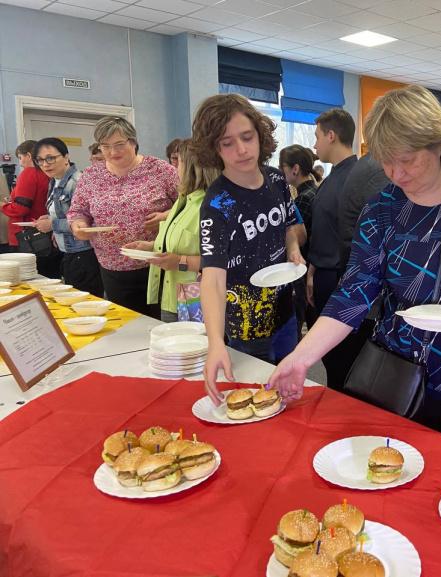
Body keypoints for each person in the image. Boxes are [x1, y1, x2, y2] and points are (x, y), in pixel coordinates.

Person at [268, 85, 441, 459]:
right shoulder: (382, 209)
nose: (396, 173)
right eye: (386, 162)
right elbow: (354, 293)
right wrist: (300, 357)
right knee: (409, 473)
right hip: (407, 374)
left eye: (407, 160)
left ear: (438, 145)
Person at [192, 94, 304, 400]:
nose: (241, 150)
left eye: (247, 137)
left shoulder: (276, 180)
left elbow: (290, 226)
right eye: (227, 143)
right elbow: (213, 278)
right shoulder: (217, 203)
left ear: (259, 135)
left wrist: (293, 248)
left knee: (291, 391)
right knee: (256, 398)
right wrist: (215, 342)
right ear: (214, 148)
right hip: (246, 324)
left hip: (286, 310)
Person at [68, 117, 178, 317]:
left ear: (133, 142)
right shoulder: (91, 176)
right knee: (126, 323)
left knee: (160, 323)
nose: (113, 152)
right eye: (105, 146)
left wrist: (165, 215)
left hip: (158, 263)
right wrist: (79, 225)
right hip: (112, 266)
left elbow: (191, 205)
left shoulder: (160, 170)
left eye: (119, 144)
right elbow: (78, 211)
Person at [123, 140, 218, 322]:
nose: (174, 168)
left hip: (194, 302)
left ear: (192, 168)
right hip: (169, 296)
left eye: (178, 162)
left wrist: (180, 262)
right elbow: (181, 242)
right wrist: (150, 246)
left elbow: (223, 260)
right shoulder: (183, 200)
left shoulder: (210, 206)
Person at [307, 108, 358, 388]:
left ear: (331, 135)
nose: (314, 145)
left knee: (342, 359)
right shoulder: (334, 176)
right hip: (324, 272)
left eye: (317, 137)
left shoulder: (355, 178)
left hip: (340, 278)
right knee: (332, 359)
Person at [31, 138, 102, 295]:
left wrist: (52, 225)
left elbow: (90, 222)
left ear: (66, 157)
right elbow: (63, 212)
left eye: (50, 158)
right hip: (67, 250)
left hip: (83, 251)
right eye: (40, 160)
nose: (45, 164)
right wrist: (49, 218)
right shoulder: (55, 181)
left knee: (84, 299)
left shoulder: (77, 182)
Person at [280, 144, 318, 336]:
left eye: (281, 168)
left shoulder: (302, 199)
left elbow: (299, 237)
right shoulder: (315, 191)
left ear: (294, 169)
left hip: (303, 266)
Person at [1, 140, 49, 254]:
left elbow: (20, 208)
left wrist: (2, 206)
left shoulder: (28, 173)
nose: (20, 163)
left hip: (26, 236)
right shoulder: (46, 174)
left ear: (28, 155)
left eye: (20, 157)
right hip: (42, 234)